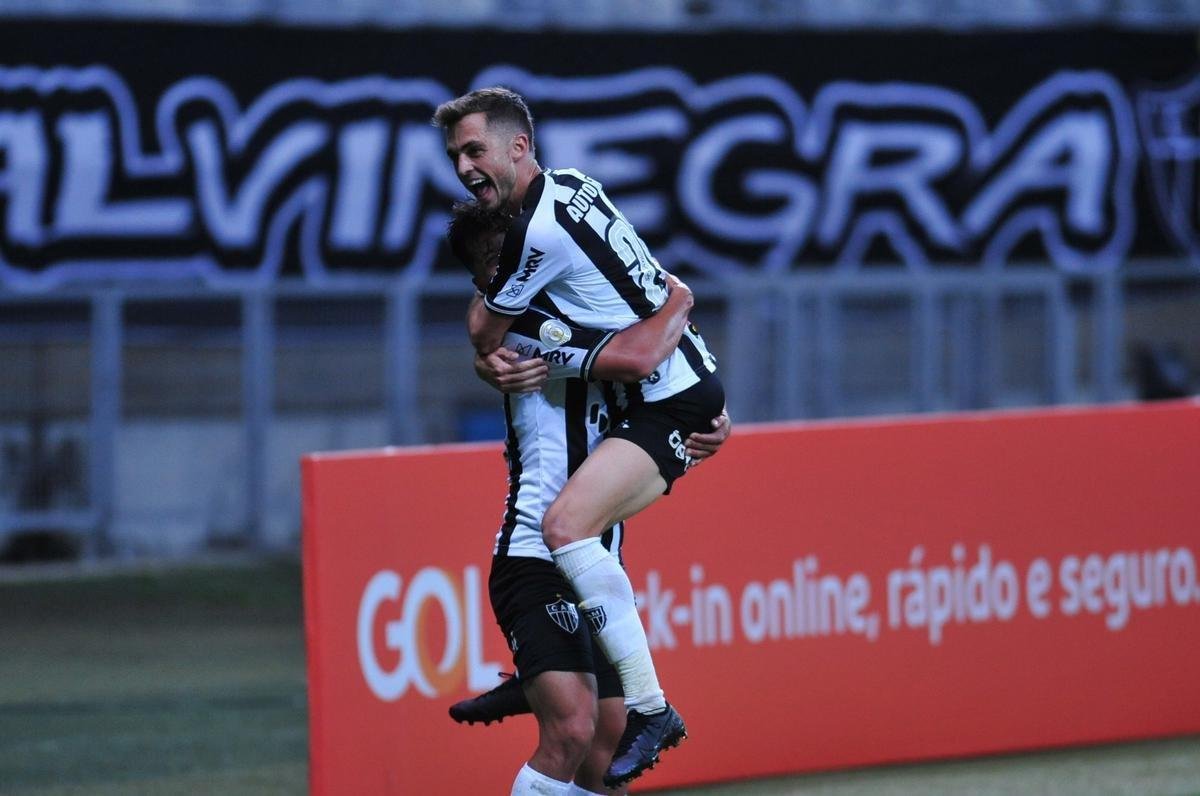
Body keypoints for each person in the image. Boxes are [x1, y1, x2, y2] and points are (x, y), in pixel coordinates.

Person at [435, 87, 726, 788]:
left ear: (519, 147)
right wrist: (680, 305)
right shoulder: (532, 329)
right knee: (571, 732)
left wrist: (701, 410)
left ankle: (536, 676)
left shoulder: (563, 295)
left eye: (474, 150)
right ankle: (555, 679)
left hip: (589, 553)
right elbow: (630, 358)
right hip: (537, 554)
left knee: (604, 754)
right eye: (457, 156)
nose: (464, 165)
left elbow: (631, 355)